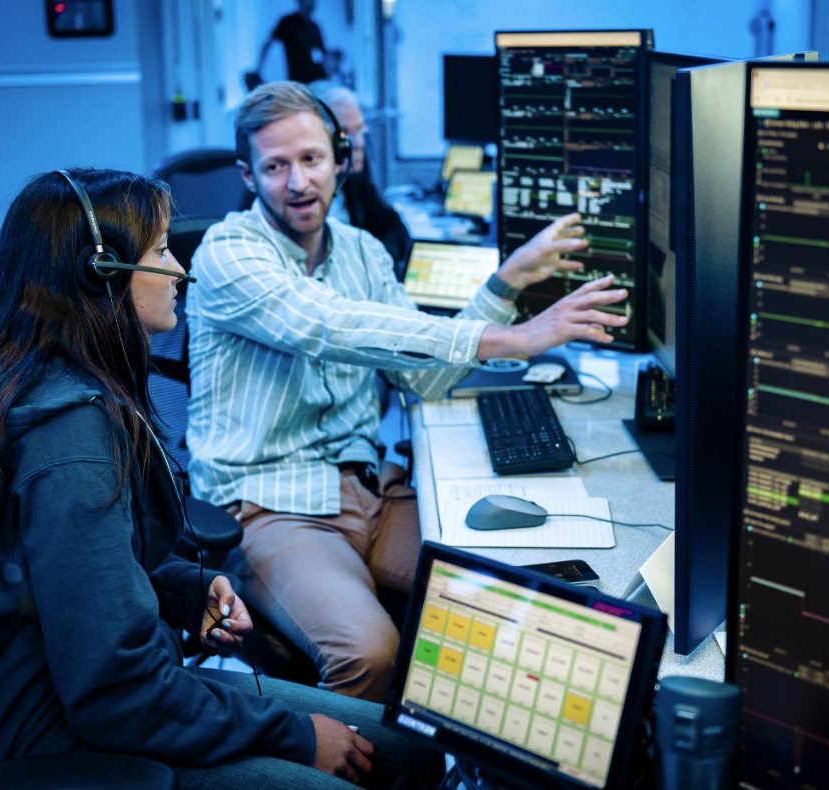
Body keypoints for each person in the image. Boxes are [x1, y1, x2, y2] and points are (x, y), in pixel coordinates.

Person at [0, 167, 443, 789]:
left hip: (109, 681)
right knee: (367, 767)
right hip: (65, 730)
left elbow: (64, 571)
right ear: (101, 271)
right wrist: (295, 735)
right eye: (162, 251)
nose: (178, 270)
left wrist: (182, 588)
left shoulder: (69, 380)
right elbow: (115, 692)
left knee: (412, 753)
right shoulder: (70, 437)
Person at [186, 80, 628, 703]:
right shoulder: (229, 252)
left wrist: (505, 281)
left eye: (311, 159)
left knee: (527, 599)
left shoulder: (363, 252)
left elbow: (422, 375)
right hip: (274, 505)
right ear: (248, 176)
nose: (298, 182)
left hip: (373, 491)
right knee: (372, 654)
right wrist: (515, 337)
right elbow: (329, 325)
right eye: (276, 166)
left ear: (340, 158)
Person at [311, 81, 412, 276]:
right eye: (345, 133)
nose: (358, 143)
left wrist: (373, 262)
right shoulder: (297, 195)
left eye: (360, 131)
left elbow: (395, 228)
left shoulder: (353, 180)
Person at [253, 0, 328, 88]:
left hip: (318, 80)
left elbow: (324, 54)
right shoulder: (288, 22)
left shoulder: (315, 27)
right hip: (298, 81)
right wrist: (258, 69)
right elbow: (267, 44)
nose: (311, 3)